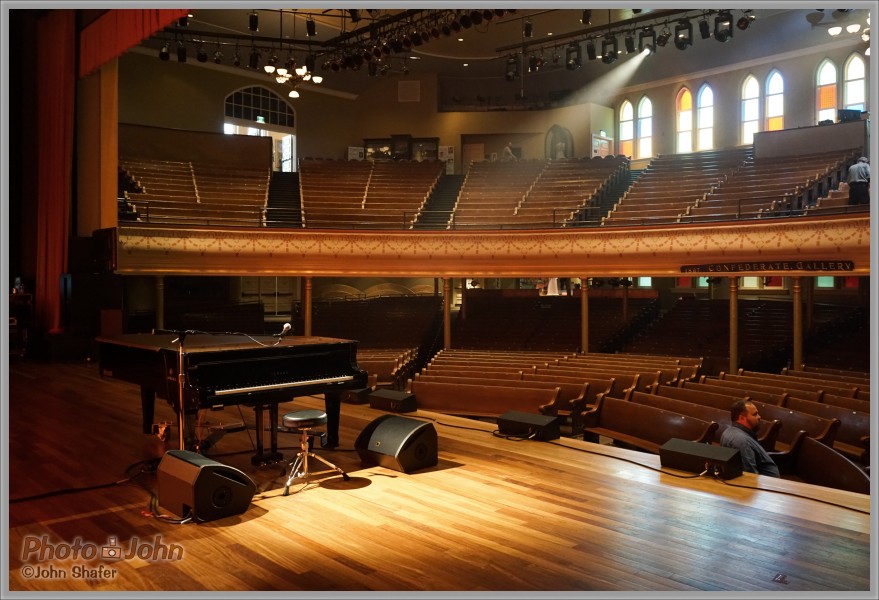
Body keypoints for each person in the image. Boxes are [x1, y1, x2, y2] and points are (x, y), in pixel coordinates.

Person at [719, 399, 780, 477]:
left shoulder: (730, 431)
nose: (759, 417)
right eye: (755, 414)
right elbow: (751, 476)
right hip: (765, 485)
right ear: (742, 418)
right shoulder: (742, 441)